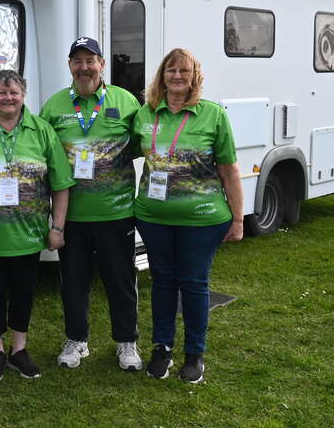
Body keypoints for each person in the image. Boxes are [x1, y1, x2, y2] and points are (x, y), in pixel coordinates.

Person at [133, 48, 244, 383]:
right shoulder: (147, 113)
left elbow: (229, 170)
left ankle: (194, 355)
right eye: (170, 70)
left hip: (203, 218)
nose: (177, 76)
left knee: (194, 283)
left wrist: (238, 218)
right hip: (153, 217)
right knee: (163, 282)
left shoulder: (212, 115)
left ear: (195, 75)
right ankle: (161, 348)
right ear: (162, 75)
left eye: (184, 71)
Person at [0, 70, 74, 381]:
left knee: (23, 291)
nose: (8, 98)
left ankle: (18, 350)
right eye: (1, 92)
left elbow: (61, 184)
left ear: (23, 95)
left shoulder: (42, 131)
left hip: (30, 231)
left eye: (13, 92)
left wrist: (58, 228)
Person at [39, 37, 143, 372]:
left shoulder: (125, 101)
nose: (84, 67)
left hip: (117, 212)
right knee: (73, 280)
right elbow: (42, 156)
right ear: (70, 66)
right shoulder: (54, 107)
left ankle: (127, 342)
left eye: (90, 60)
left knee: (121, 279)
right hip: (72, 215)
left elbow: (143, 145)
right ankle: (76, 340)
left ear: (102, 64)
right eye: (77, 61)